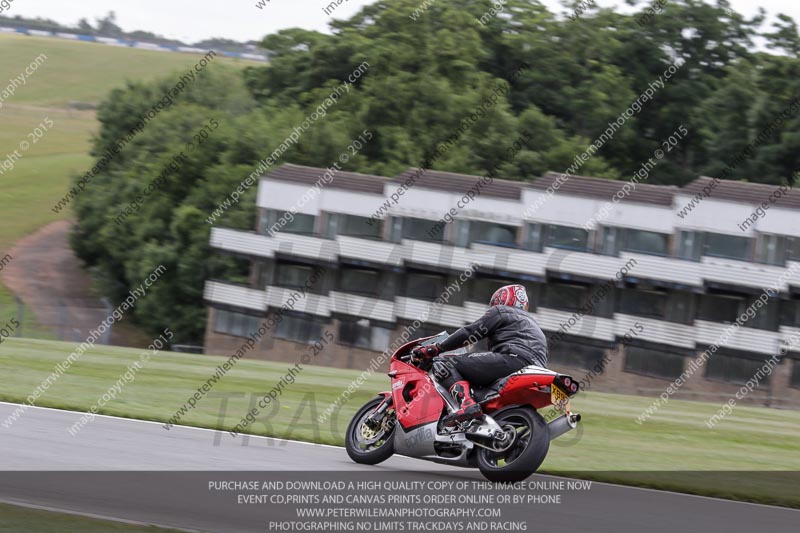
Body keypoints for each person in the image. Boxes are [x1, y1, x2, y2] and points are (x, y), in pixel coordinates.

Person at [410, 284, 548, 427]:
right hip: (536, 371)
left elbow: (469, 332)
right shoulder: (535, 326)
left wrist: (437, 348)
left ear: (502, 300)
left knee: (444, 362)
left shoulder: (501, 311)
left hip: (511, 360)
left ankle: (467, 404)